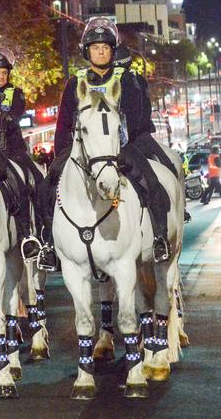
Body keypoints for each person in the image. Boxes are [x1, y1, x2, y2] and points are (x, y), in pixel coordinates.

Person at [37, 17, 173, 271]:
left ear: (112, 50)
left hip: (120, 147)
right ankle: (48, 245)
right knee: (46, 187)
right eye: (95, 47)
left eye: (105, 47)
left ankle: (160, 237)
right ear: (87, 51)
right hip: (82, 152)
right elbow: (64, 122)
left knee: (151, 181)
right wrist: (62, 155)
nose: (100, 51)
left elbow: (134, 117)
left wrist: (115, 146)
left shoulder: (125, 80)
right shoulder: (75, 83)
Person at [0, 46, 45, 258]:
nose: (1, 76)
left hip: (13, 150)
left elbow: (16, 112)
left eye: (4, 73)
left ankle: (36, 233)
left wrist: (6, 119)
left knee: (37, 181)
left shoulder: (16, 93)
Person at [113, 44, 190, 223]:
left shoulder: (134, 81)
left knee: (168, 166)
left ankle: (177, 211)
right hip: (128, 137)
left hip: (136, 136)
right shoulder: (130, 80)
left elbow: (139, 112)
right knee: (168, 166)